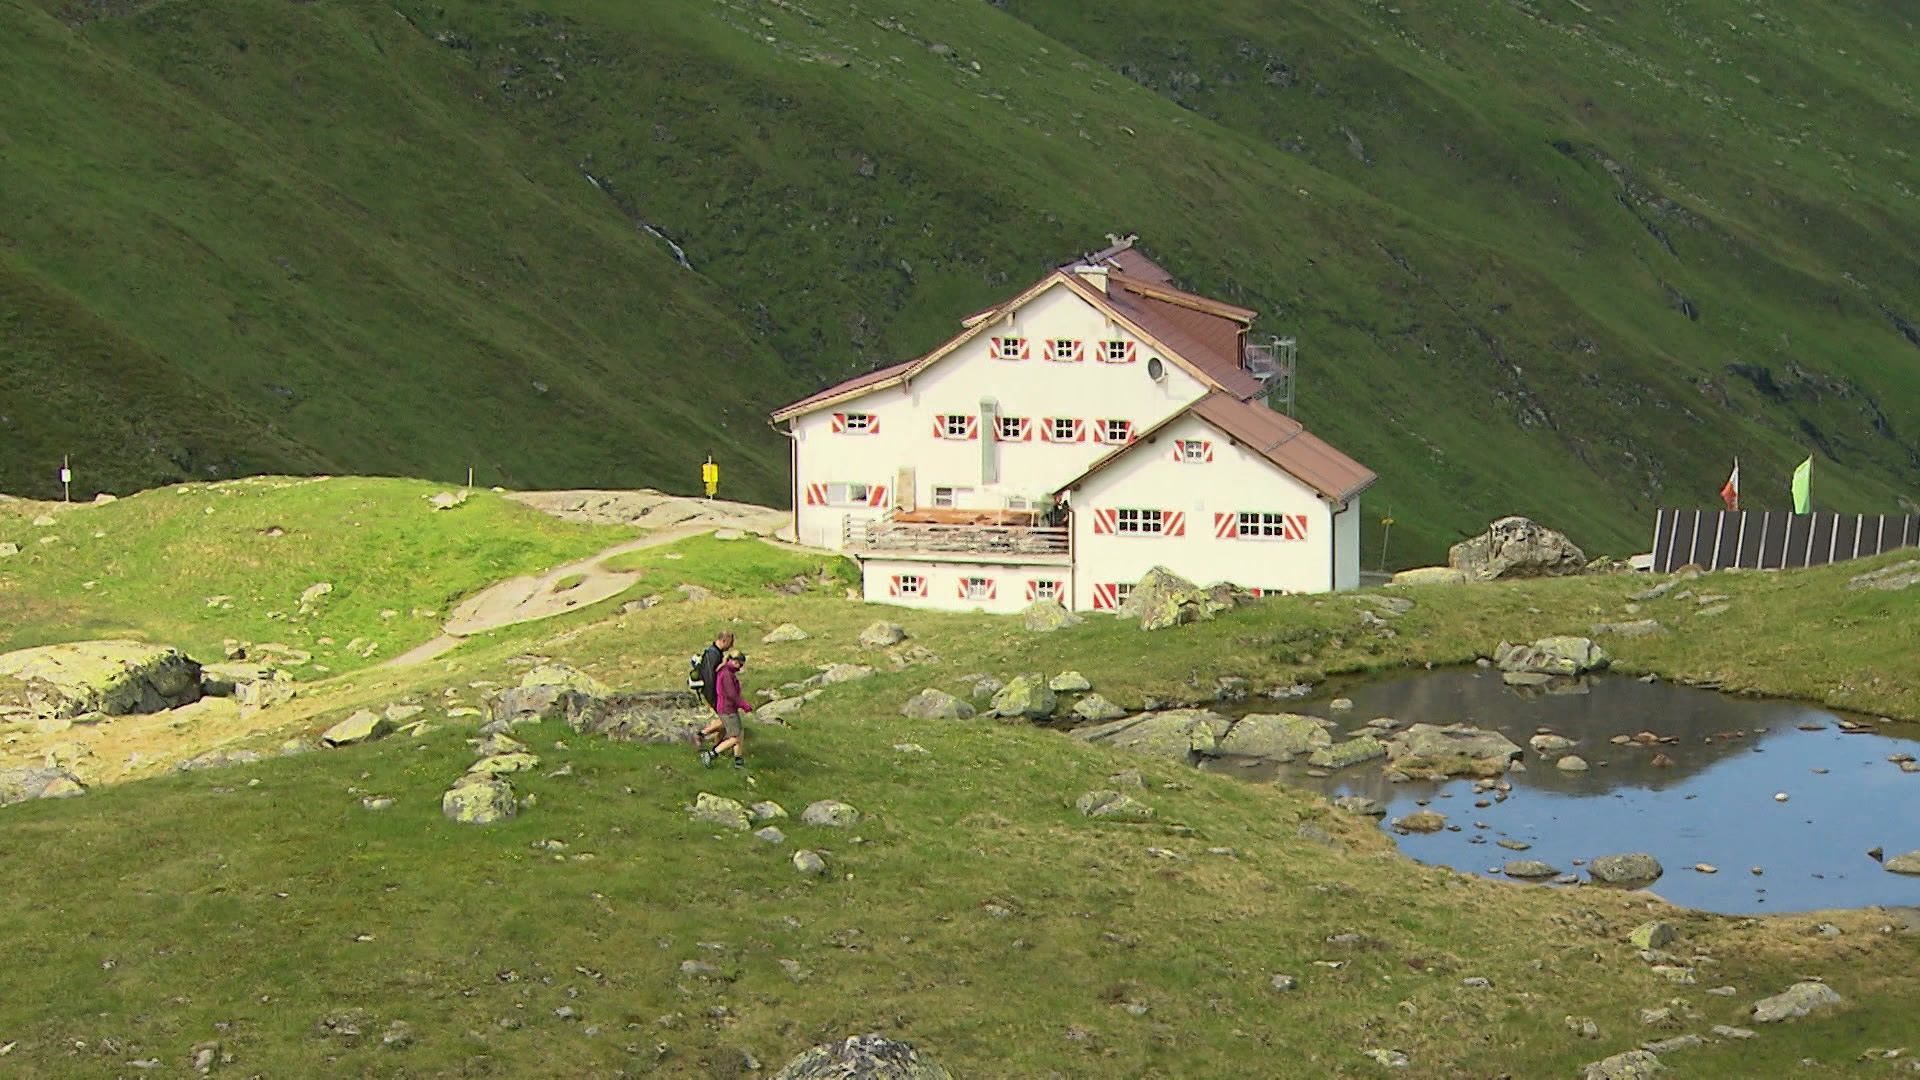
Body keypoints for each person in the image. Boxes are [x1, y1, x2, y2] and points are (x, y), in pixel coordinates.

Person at [698, 651, 753, 770]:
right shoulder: (727, 674)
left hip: (727, 708)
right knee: (735, 737)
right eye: (741, 665)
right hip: (728, 709)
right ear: (735, 661)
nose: (740, 668)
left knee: (739, 733)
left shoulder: (725, 671)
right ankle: (711, 754)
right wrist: (745, 705)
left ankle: (738, 761)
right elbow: (731, 694)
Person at [692, 631, 734, 712]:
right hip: (710, 696)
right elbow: (709, 678)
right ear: (724, 641)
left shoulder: (717, 653)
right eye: (730, 643)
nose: (731, 646)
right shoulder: (712, 655)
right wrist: (712, 702)